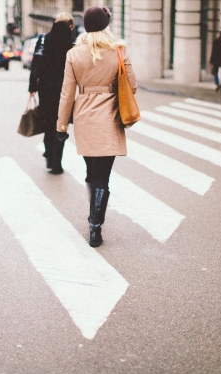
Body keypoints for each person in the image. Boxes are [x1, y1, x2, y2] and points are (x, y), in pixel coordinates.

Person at [56, 6, 137, 247]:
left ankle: (94, 218)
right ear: (105, 25)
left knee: (92, 173)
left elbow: (67, 93)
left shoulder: (74, 54)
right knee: (103, 176)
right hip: (110, 118)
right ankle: (95, 225)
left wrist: (61, 126)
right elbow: (132, 85)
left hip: (84, 118)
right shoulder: (118, 51)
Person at [28, 12, 75, 175]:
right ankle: (57, 163)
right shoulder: (71, 43)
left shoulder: (43, 39)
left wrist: (32, 86)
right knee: (61, 126)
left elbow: (36, 64)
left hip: (46, 89)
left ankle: (49, 155)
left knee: (49, 123)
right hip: (65, 91)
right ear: (69, 26)